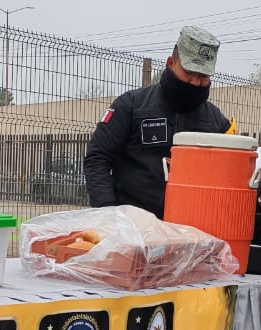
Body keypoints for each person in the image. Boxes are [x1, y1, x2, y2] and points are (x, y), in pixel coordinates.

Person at [83, 26, 231, 218]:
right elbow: (97, 158)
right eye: (189, 72)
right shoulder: (132, 105)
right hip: (134, 230)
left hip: (193, 232)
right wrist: (108, 215)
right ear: (171, 63)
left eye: (202, 76)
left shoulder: (216, 121)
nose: (195, 82)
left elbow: (233, 177)